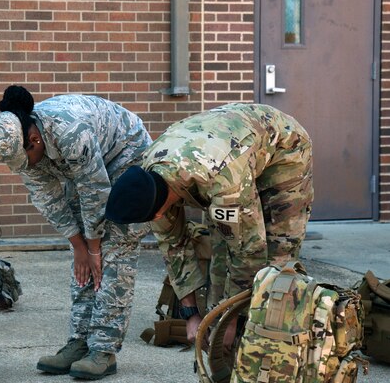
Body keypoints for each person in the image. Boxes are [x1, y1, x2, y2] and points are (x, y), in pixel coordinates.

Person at [105, 102, 313, 346]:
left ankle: (273, 342)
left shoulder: (224, 187)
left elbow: (248, 251)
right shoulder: (147, 182)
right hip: (226, 145)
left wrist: (230, 320)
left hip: (283, 146)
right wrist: (191, 314)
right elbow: (175, 249)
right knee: (222, 245)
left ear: (157, 214)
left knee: (279, 252)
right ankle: (222, 326)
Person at [0, 85, 152, 380]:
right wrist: (80, 247)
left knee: (115, 249)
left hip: (127, 156)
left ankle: (103, 349)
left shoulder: (70, 131)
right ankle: (79, 341)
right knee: (83, 260)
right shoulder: (20, 141)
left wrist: (95, 248)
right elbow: (48, 198)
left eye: (23, 160)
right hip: (89, 167)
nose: (23, 168)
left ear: (33, 140)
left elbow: (95, 191)